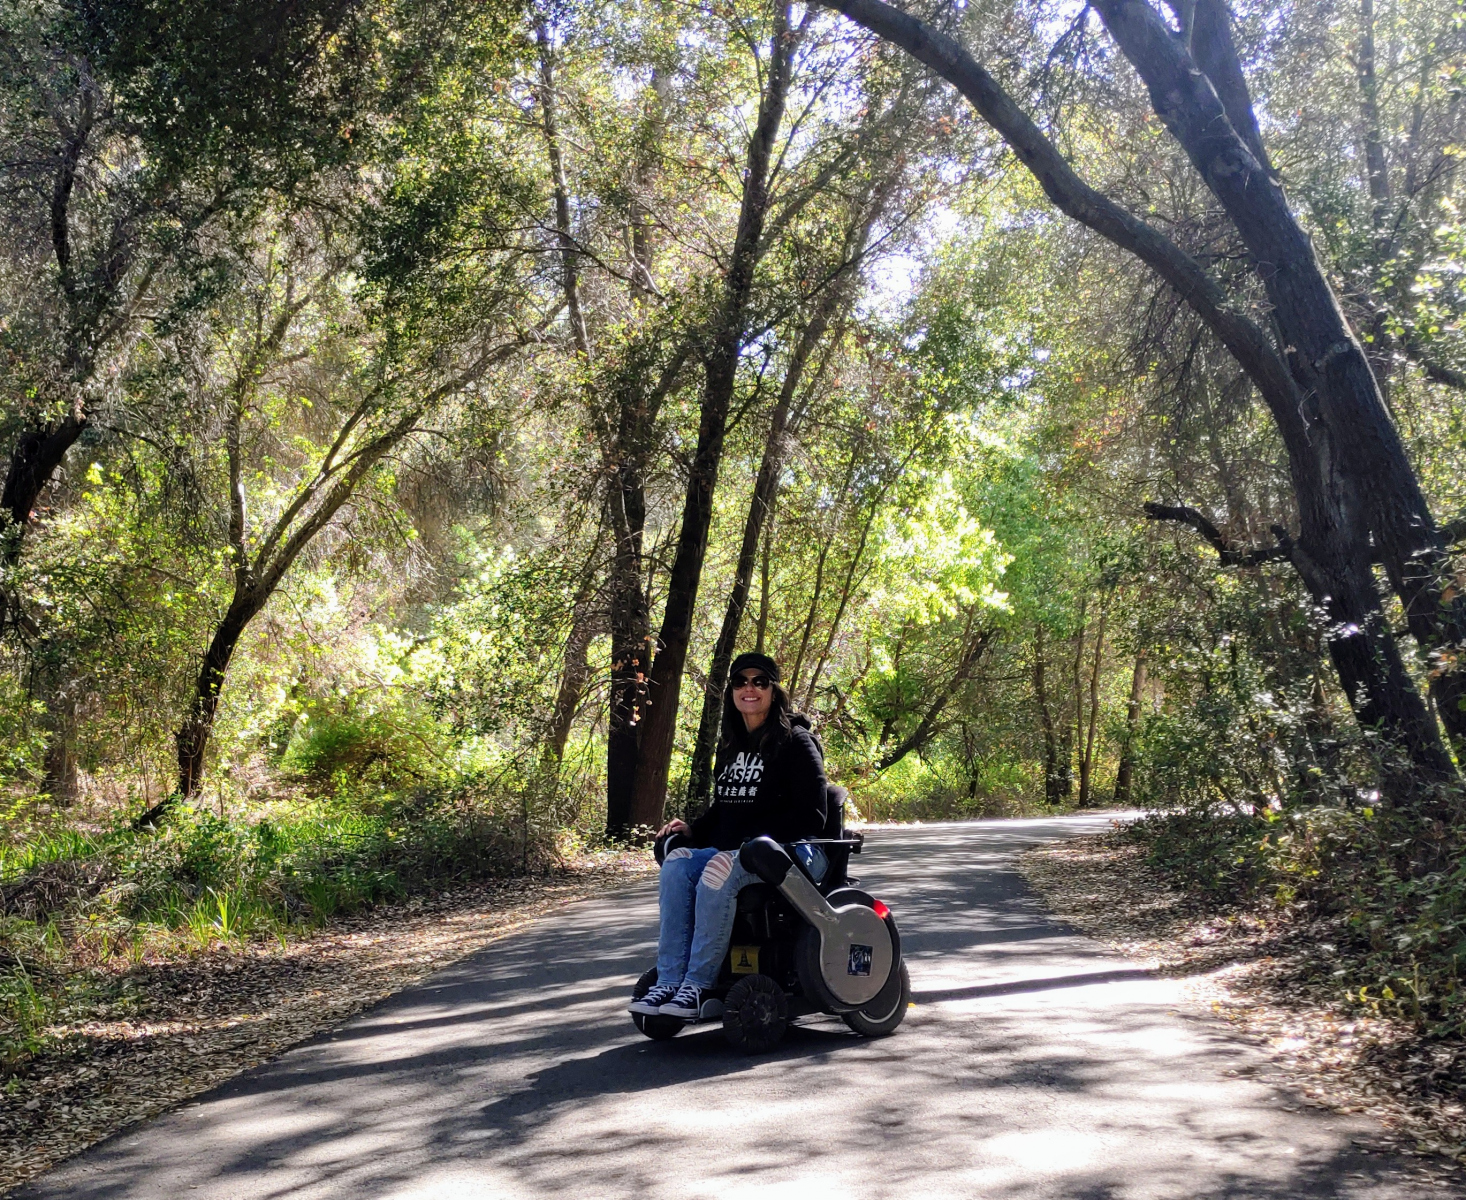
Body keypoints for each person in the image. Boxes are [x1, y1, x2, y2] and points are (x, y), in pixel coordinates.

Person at [629, 652, 827, 1020]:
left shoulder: (797, 742)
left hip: (783, 855)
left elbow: (813, 816)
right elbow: (725, 808)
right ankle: (670, 981)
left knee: (719, 867)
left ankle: (698, 986)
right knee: (677, 863)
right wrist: (693, 830)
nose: (749, 688)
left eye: (759, 681)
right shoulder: (733, 743)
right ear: (732, 690)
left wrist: (753, 841)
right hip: (736, 852)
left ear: (774, 690)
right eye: (740, 681)